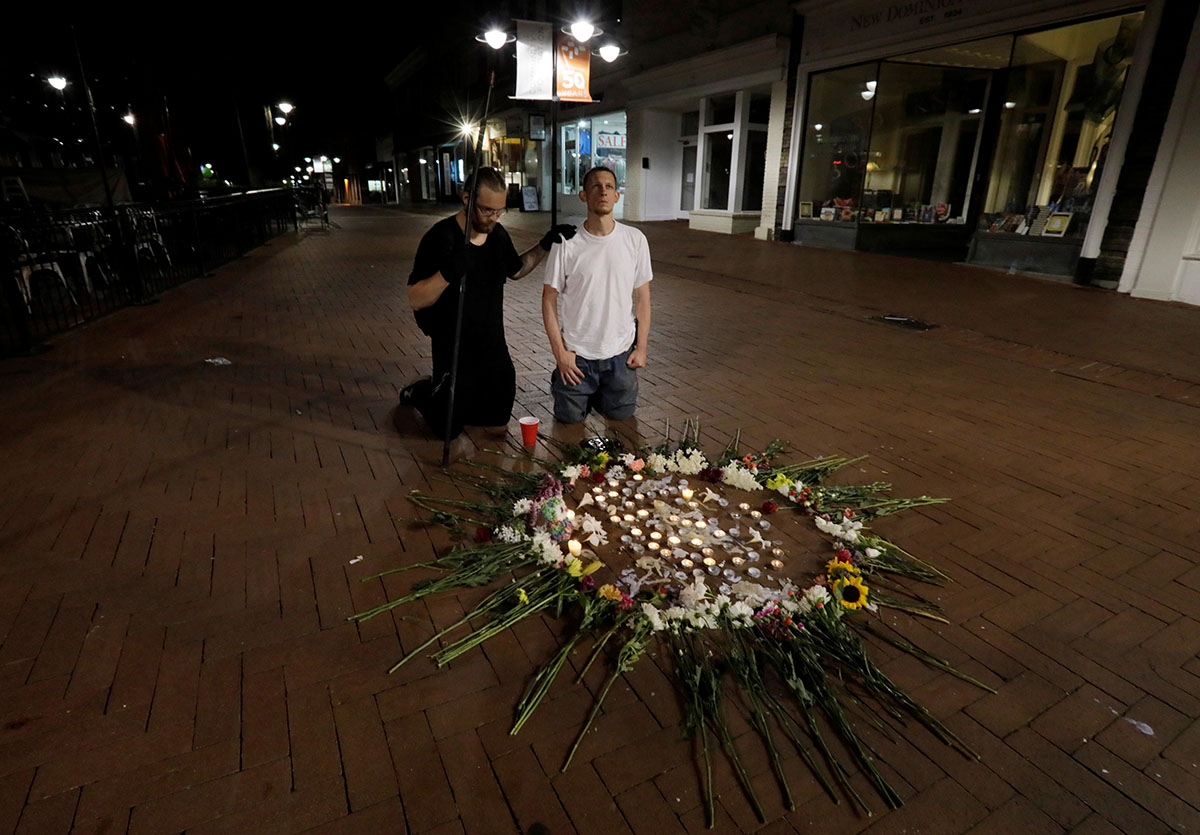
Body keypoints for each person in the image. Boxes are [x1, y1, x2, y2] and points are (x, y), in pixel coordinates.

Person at [402, 167, 575, 440]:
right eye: (486, 210)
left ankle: (458, 397)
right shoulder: (441, 237)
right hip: (453, 347)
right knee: (448, 430)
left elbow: (516, 269)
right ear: (467, 198)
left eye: (499, 211)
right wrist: (448, 272)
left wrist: (545, 243)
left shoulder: (497, 235)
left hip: (492, 345)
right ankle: (422, 391)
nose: (494, 218)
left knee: (496, 421)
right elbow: (416, 298)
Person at [542, 166, 652, 423]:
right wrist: (560, 354)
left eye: (609, 186)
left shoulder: (635, 239)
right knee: (569, 420)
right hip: (577, 356)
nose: (603, 191)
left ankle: (600, 396)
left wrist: (641, 347)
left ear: (617, 196)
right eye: (596, 186)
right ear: (583, 195)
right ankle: (568, 387)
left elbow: (643, 298)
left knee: (621, 418)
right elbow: (548, 299)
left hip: (620, 354)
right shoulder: (566, 242)